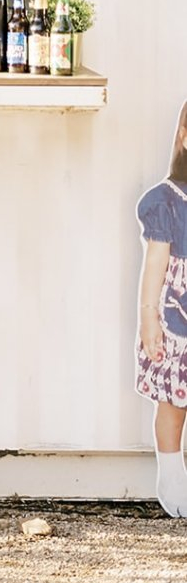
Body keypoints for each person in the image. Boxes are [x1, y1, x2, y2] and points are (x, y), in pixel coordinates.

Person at [136, 100, 187, 516]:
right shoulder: (167, 202)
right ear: (185, 137)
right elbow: (156, 265)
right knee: (172, 406)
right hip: (176, 325)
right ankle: (172, 479)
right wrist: (148, 316)